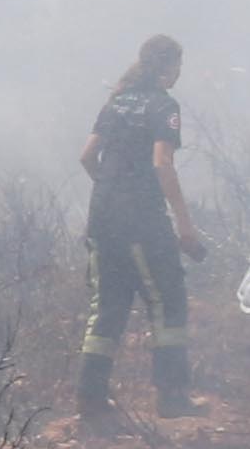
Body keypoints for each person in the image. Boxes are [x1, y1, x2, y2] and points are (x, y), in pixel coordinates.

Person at [74, 34, 201, 428]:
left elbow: (86, 157)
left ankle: (91, 402)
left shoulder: (117, 100)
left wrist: (110, 193)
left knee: (107, 309)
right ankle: (173, 395)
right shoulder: (164, 105)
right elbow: (162, 164)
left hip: (102, 218)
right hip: (142, 220)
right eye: (178, 65)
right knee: (167, 302)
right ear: (169, 67)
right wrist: (184, 225)